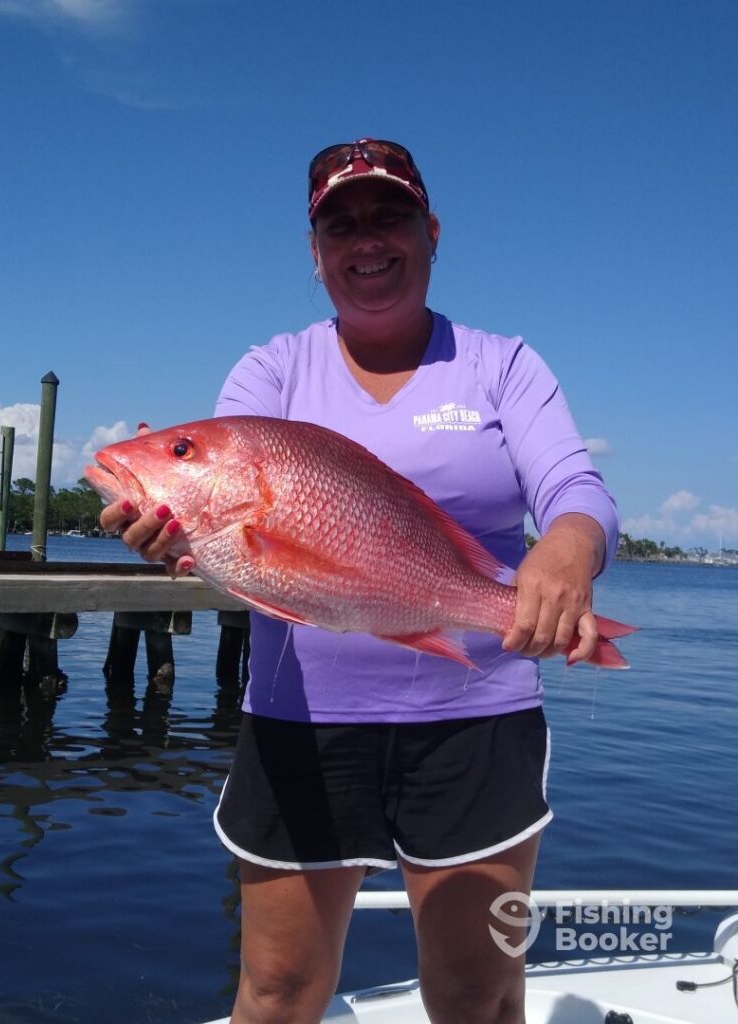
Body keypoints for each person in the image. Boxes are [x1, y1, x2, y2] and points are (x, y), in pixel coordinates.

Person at [101, 138, 619, 1024]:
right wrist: (181, 538)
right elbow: (239, 552)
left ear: (431, 231)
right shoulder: (271, 371)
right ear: (315, 250)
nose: (366, 239)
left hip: (475, 721)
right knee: (277, 992)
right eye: (341, 223)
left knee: (479, 995)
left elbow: (575, 488)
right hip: (303, 726)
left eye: (390, 216)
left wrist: (567, 551)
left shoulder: (502, 364)